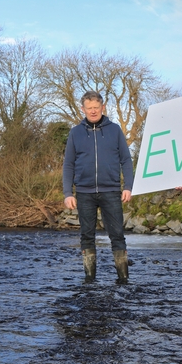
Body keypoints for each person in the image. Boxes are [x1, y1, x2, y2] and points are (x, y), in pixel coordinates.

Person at [63, 91, 134, 284]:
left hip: (111, 190)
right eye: (89, 108)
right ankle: (89, 280)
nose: (93, 111)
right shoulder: (75, 133)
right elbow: (68, 164)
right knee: (87, 236)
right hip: (84, 192)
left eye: (96, 107)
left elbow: (126, 160)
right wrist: (68, 192)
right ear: (83, 109)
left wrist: (128, 186)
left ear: (102, 107)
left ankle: (123, 280)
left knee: (117, 236)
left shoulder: (115, 130)